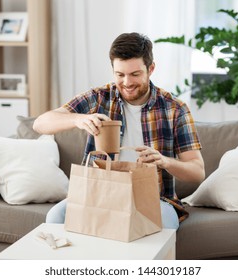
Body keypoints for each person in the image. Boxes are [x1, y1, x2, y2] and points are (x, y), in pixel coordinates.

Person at [33, 32, 205, 229]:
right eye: (120, 74)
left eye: (135, 74)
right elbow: (40, 124)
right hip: (97, 195)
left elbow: (197, 172)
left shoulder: (174, 109)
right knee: (56, 217)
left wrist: (165, 161)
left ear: (151, 69)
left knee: (165, 224)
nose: (127, 83)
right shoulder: (98, 98)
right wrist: (78, 119)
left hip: (154, 199)